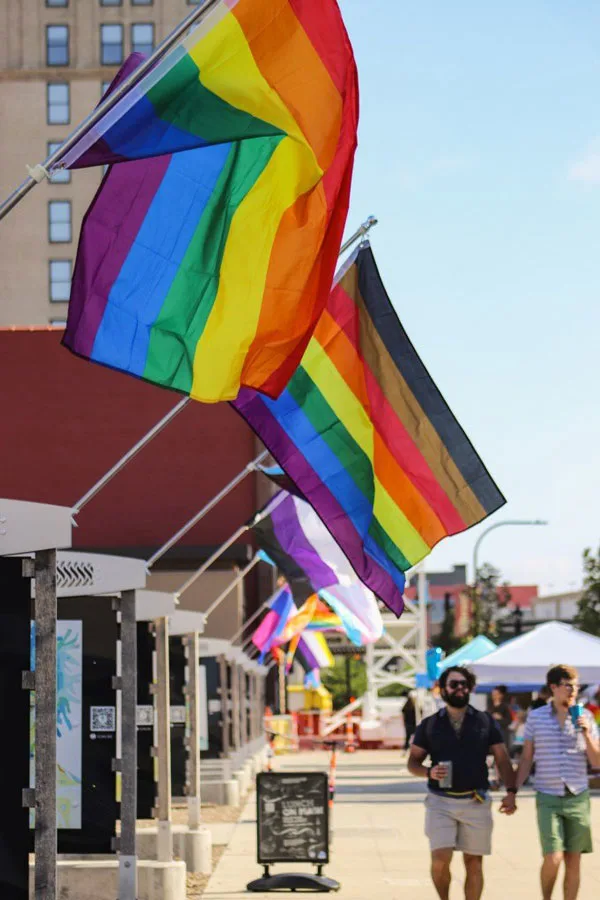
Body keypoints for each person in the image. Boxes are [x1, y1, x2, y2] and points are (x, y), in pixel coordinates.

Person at [407, 666, 517, 900]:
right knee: (440, 860)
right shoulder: (429, 725)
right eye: (454, 684)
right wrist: (429, 772)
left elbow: (503, 759)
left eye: (464, 684)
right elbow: (412, 764)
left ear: (470, 688)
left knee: (474, 864)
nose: (460, 689)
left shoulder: (484, 721)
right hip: (440, 802)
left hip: (475, 800)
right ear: (443, 689)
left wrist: (511, 792)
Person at [515, 664, 600, 900]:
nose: (573, 690)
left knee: (574, 860)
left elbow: (596, 761)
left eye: (576, 685)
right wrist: (512, 791)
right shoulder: (536, 717)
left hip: (578, 795)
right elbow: (526, 758)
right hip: (548, 794)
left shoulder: (587, 717)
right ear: (553, 687)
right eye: (567, 685)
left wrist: (586, 733)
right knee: (553, 857)